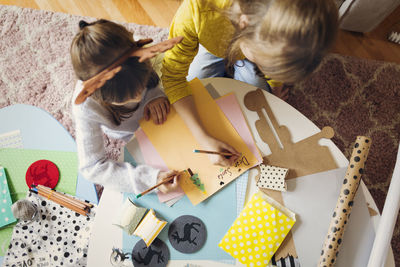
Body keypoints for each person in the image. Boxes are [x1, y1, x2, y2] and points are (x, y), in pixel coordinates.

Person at [162, 0, 339, 166]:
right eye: (265, 64)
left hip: (247, 43)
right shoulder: (197, 10)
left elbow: (279, 57)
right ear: (244, 24)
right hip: (211, 43)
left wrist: (275, 86)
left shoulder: (276, 28)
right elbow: (173, 77)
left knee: (257, 96)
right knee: (194, 85)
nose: (267, 72)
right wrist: (203, 139)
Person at [70, 19, 181, 194]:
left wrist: (153, 94)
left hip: (161, 112)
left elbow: (152, 80)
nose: (138, 97)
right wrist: (150, 179)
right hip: (127, 131)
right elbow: (91, 167)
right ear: (97, 96)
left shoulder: (135, 53)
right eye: (126, 98)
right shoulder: (85, 108)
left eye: (140, 88)